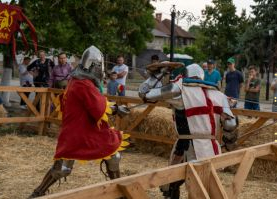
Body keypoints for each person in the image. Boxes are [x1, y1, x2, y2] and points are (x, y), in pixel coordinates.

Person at [29, 46, 130, 198]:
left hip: (81, 128)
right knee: (62, 168)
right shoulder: (83, 84)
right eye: (98, 67)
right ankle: (37, 193)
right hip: (80, 131)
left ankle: (120, 193)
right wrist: (116, 109)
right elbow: (97, 108)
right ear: (94, 66)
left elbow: (86, 104)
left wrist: (112, 107)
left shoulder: (75, 80)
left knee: (112, 154)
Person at [139, 63, 238, 199]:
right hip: (209, 146)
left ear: (185, 75)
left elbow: (144, 94)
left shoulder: (180, 89)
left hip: (187, 144)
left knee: (188, 186)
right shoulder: (218, 94)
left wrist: (157, 74)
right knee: (193, 183)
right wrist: (228, 142)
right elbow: (231, 124)